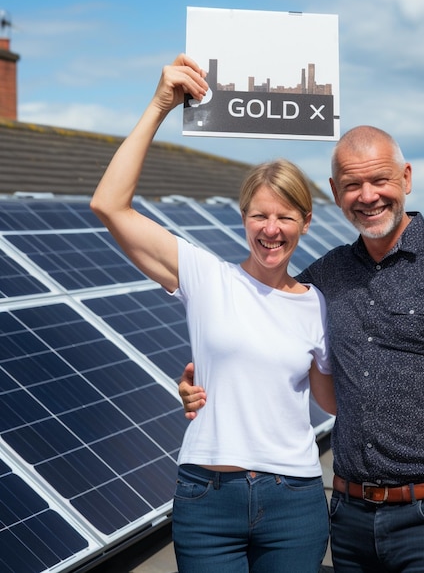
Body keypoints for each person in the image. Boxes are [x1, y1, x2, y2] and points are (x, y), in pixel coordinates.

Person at [179, 125, 424, 572]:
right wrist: (203, 379)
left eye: (379, 180)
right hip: (349, 521)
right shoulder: (325, 277)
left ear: (406, 178)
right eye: (352, 185)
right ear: (335, 192)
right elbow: (262, 320)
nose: (367, 196)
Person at [90, 54, 336, 573]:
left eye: (284, 217)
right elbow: (110, 205)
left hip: (294, 502)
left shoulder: (318, 305)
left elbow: (332, 400)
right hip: (207, 498)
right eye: (259, 215)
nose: (271, 229)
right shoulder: (205, 276)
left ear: (306, 223)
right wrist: (160, 104)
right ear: (243, 217)